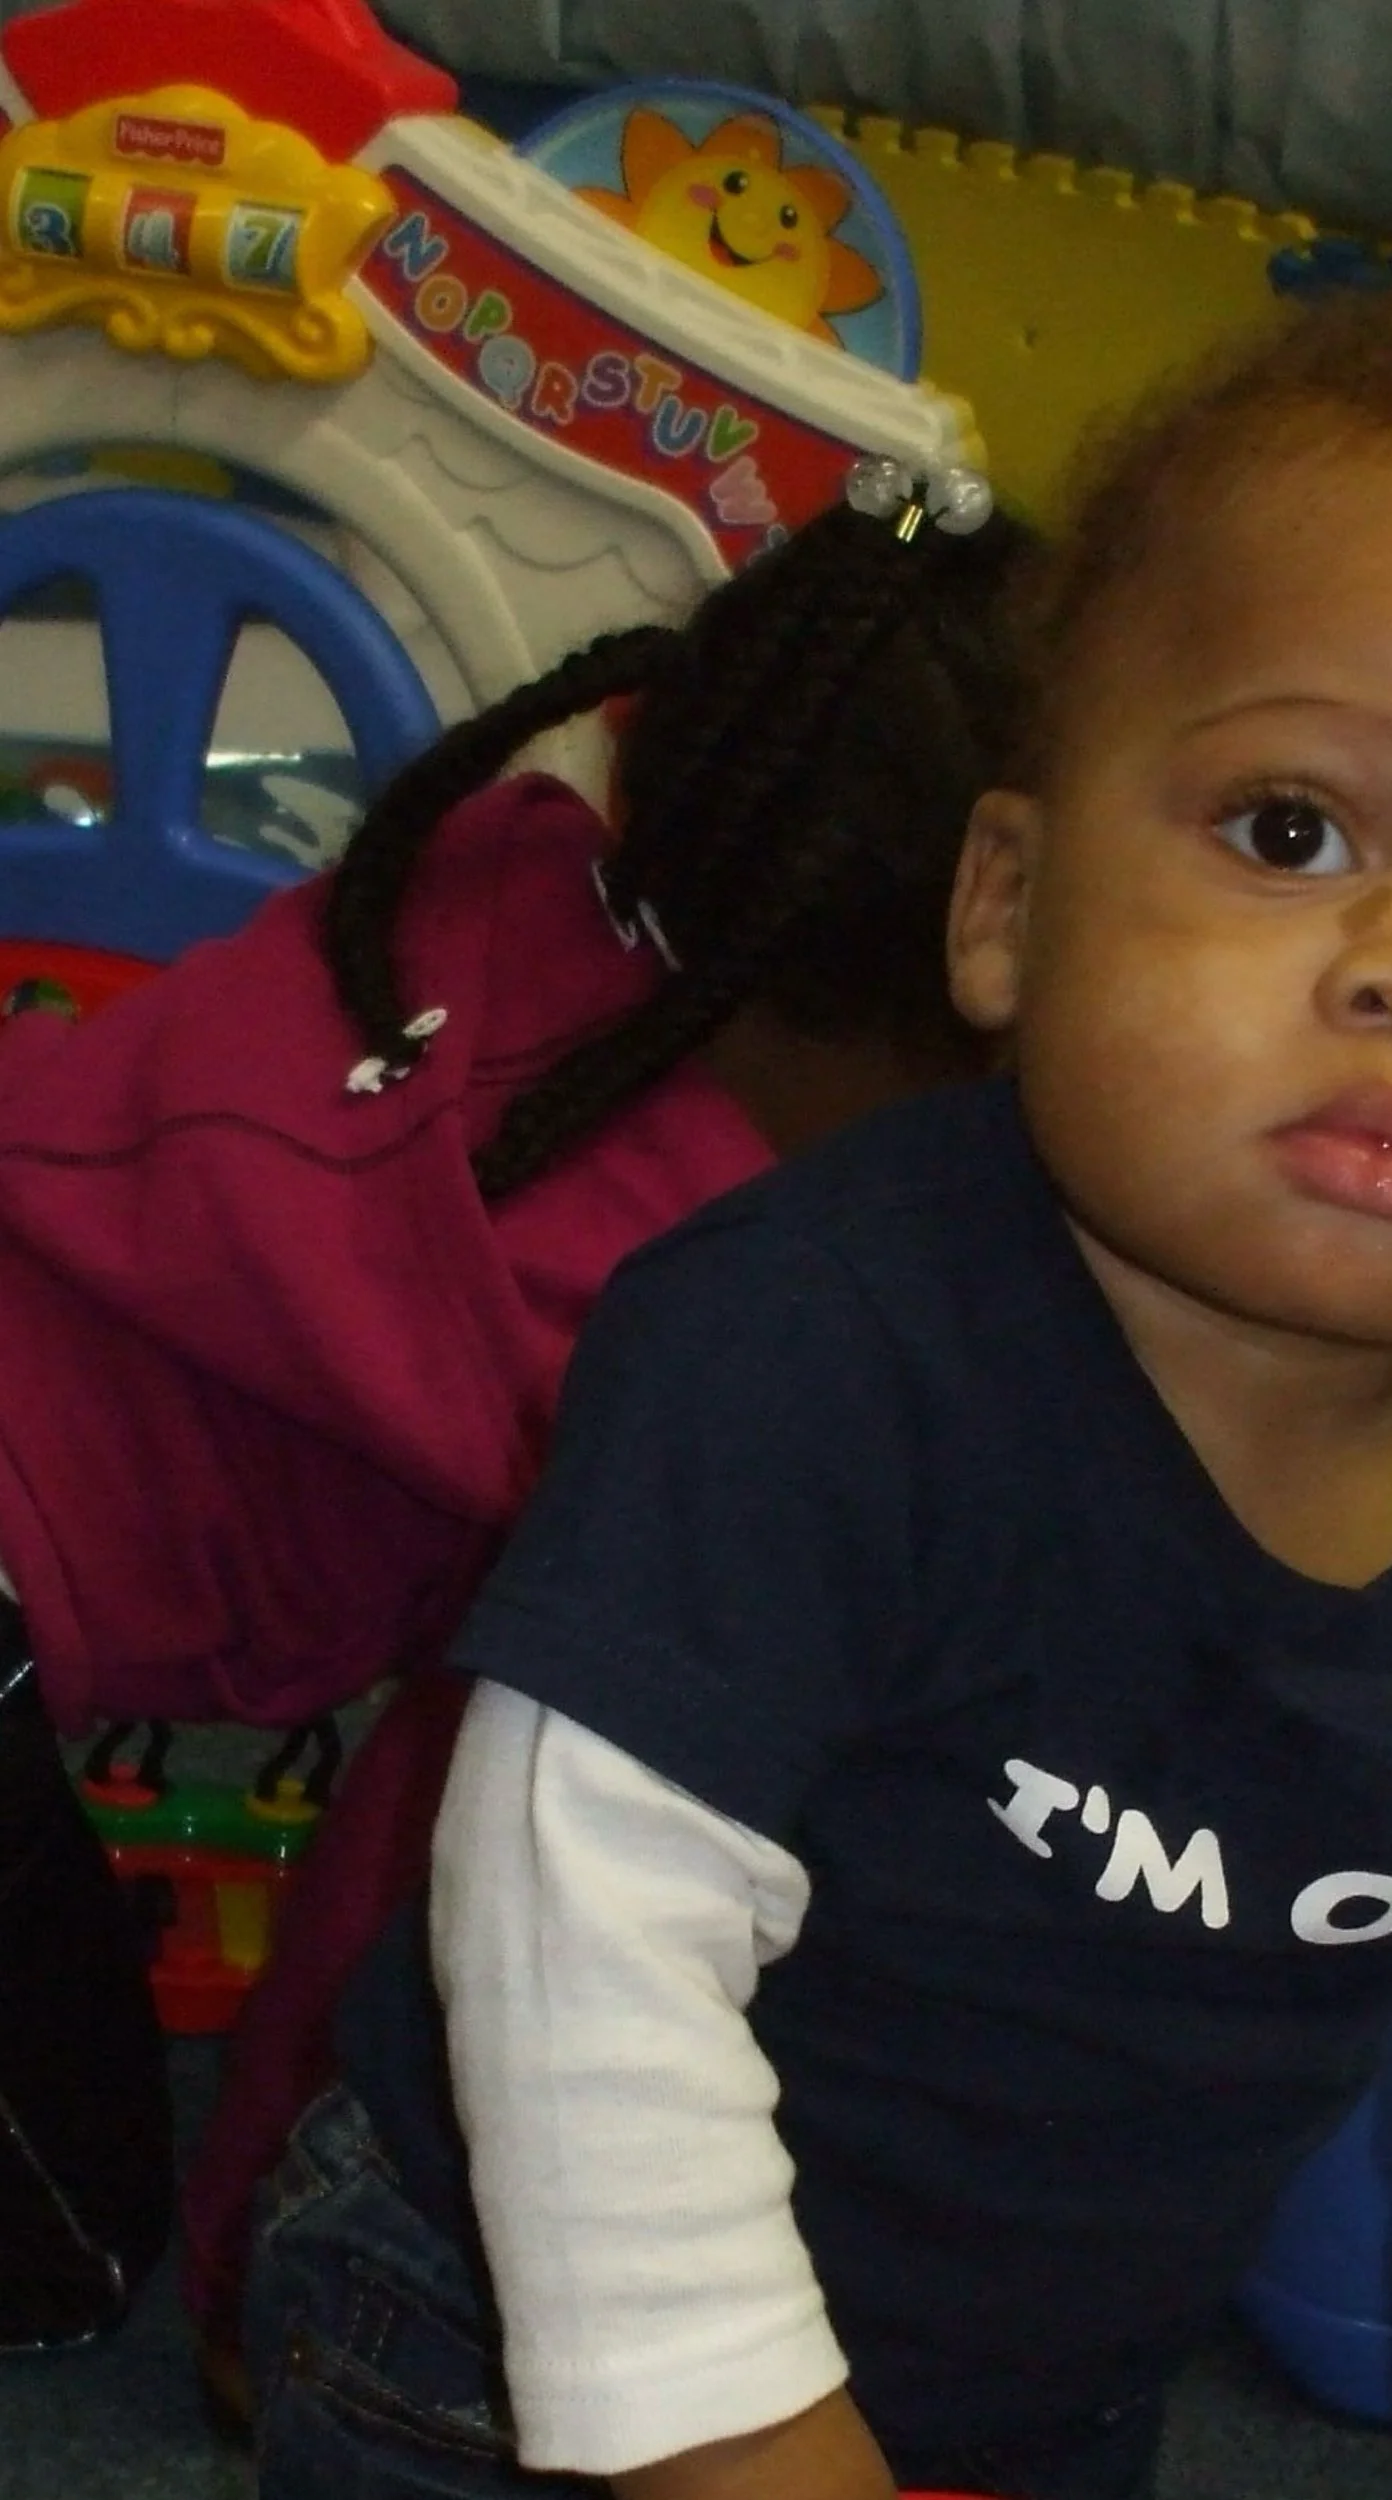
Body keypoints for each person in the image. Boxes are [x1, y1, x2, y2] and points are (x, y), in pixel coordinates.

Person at [248, 275, 1392, 2500]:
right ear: (1007, 900)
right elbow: (584, 1935)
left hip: (1030, 2384)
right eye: (1288, 831)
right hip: (519, 2345)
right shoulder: (801, 1353)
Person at [0, 486, 1026, 2365]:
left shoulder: (502, 862)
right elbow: (442, 1881)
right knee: (73, 2250)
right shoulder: (677, 1322)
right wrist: (268, 2282)